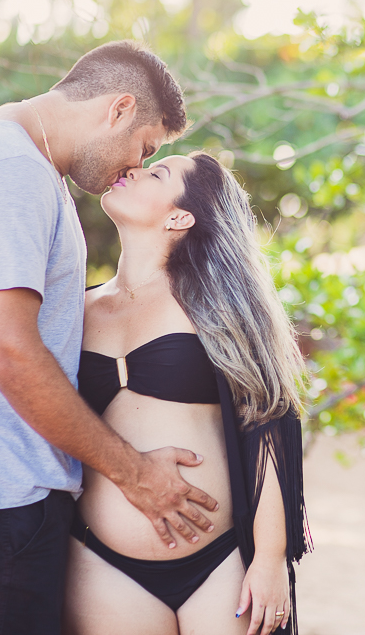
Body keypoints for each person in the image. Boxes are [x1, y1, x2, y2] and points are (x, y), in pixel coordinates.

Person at [0, 41, 221, 635]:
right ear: (119, 109)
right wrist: (134, 473)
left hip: (1, 483)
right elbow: (10, 352)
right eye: (146, 148)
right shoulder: (11, 169)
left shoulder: (18, 165)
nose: (133, 166)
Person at [62, 150, 310, 635]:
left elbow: (268, 427)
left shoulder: (219, 308)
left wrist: (270, 558)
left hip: (219, 566)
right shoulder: (73, 309)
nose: (131, 169)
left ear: (180, 217)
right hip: (101, 561)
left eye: (157, 173)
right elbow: (16, 372)